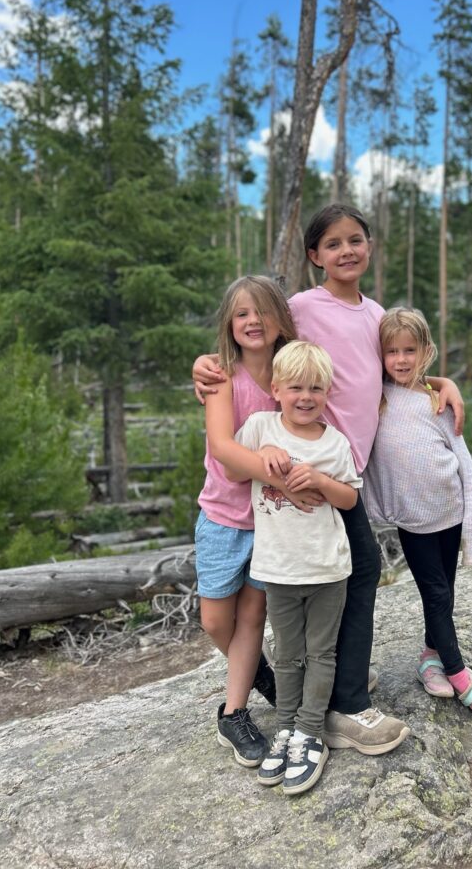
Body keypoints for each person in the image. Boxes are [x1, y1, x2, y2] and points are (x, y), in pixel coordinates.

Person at [193, 203, 466, 755]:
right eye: (333, 243)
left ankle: (334, 684)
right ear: (314, 255)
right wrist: (206, 364)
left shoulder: (376, 314)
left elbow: (391, 367)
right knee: (350, 572)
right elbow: (258, 342)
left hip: (341, 472)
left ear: (370, 246)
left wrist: (440, 381)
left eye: (355, 240)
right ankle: (342, 701)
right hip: (304, 472)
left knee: (339, 577)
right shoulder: (300, 307)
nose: (346, 251)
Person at [363, 307, 472, 727]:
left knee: (447, 588)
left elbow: (465, 464)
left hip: (451, 511)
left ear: (426, 351)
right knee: (436, 594)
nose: (401, 359)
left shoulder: (437, 401)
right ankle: (462, 678)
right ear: (380, 355)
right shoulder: (376, 400)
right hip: (414, 521)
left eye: (409, 350)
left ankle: (431, 657)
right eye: (392, 351)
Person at [228, 340, 361, 795]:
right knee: (287, 654)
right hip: (278, 569)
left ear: (327, 392)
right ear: (277, 390)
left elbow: (350, 498)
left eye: (316, 389)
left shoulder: (335, 442)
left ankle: (310, 733)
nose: (306, 397)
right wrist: (263, 457)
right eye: (296, 388)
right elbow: (233, 470)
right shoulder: (259, 427)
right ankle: (285, 727)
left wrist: (321, 480)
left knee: (321, 653)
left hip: (327, 568)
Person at [195, 274, 306, 769]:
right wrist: (274, 470)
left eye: (262, 312)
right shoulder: (222, 377)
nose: (253, 321)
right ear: (228, 323)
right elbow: (223, 449)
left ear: (282, 319)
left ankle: (233, 712)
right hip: (222, 519)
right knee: (216, 620)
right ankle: (260, 674)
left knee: (253, 618)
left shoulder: (289, 380)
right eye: (242, 313)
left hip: (270, 522)